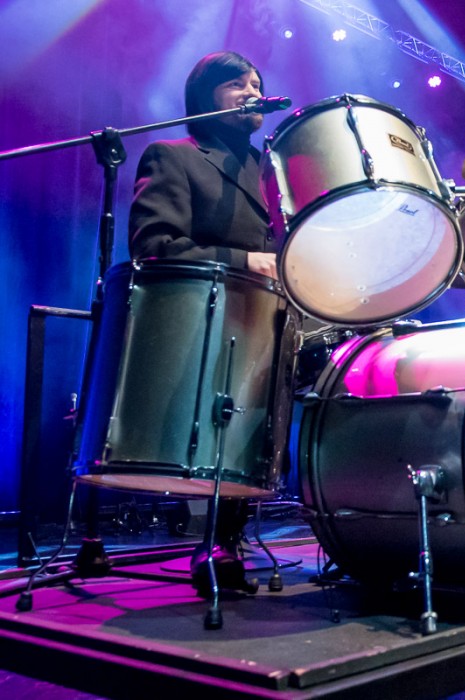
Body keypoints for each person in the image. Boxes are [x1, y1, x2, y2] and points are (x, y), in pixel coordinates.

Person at [128, 51, 279, 592]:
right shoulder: (173, 156)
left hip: (275, 317)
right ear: (204, 96)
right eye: (236, 83)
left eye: (257, 83)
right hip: (206, 319)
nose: (252, 91)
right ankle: (218, 539)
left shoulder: (276, 171)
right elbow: (154, 245)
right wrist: (243, 262)